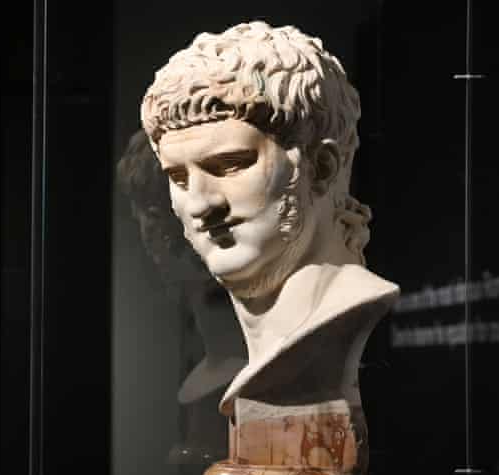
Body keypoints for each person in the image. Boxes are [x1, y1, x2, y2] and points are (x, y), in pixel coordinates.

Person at [140, 20, 399, 415]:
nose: (200, 204)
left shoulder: (343, 314)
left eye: (231, 165)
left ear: (321, 167)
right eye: (178, 176)